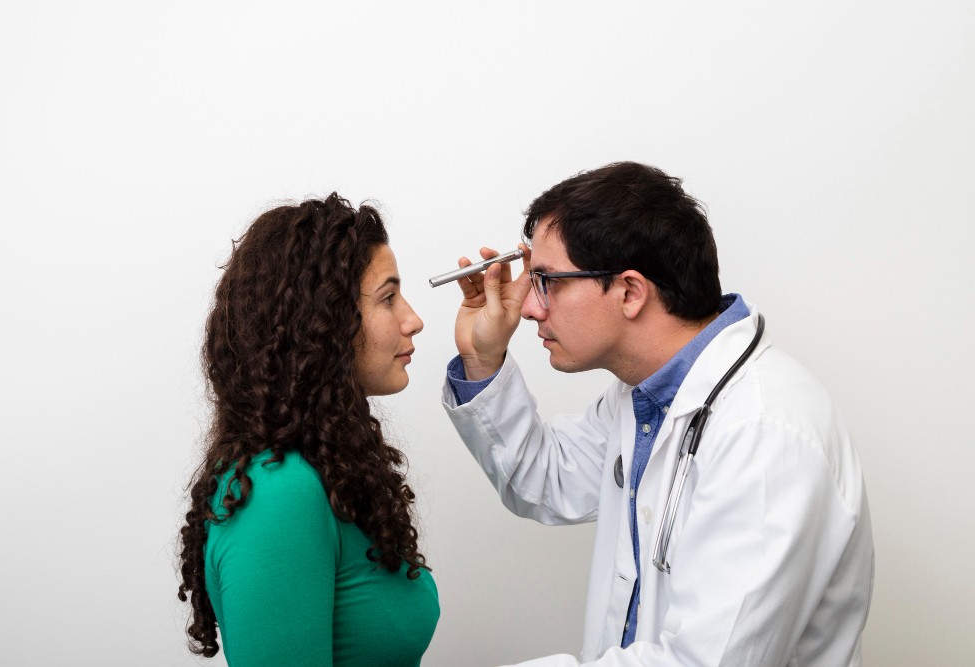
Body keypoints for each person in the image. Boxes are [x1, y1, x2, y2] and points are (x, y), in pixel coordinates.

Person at [441, 162, 873, 666]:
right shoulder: (644, 396)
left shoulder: (765, 430)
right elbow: (545, 479)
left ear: (630, 291)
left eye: (547, 281)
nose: (530, 308)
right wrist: (482, 357)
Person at [178, 193, 439, 666]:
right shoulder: (279, 493)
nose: (413, 320)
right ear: (321, 321)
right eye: (388, 298)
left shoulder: (331, 468)